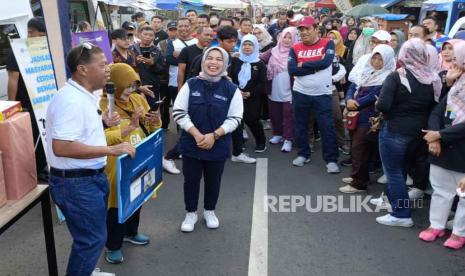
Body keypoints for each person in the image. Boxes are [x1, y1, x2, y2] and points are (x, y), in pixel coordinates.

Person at [46, 44, 135, 276]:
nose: (108, 69)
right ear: (83, 70)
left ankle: (86, 270)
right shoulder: (71, 100)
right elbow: (62, 147)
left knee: (89, 236)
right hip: (77, 183)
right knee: (92, 240)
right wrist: (111, 150)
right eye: (103, 64)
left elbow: (78, 134)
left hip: (87, 179)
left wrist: (103, 123)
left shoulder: (83, 95)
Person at [173, 47, 243, 232]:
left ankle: (210, 211)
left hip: (218, 144)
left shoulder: (231, 89)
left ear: (225, 64)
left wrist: (215, 135)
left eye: (219, 59)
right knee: (191, 180)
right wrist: (196, 134)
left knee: (214, 180)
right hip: (191, 143)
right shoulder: (191, 84)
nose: (213, 62)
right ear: (203, 61)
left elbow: (235, 118)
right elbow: (179, 112)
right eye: (209, 58)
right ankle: (191, 213)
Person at [375, 38, 441, 227]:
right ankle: (390, 200)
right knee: (401, 168)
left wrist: (378, 104)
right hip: (419, 132)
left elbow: (384, 105)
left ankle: (401, 214)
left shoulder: (398, 76)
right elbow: (434, 107)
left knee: (393, 171)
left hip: (395, 129)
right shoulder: (433, 78)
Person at [100, 63, 161, 264]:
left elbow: (151, 129)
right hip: (116, 163)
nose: (130, 91)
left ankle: (131, 232)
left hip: (140, 157)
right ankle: (113, 245)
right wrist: (129, 128)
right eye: (126, 86)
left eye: (133, 85)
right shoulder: (104, 105)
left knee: (137, 196)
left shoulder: (137, 98)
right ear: (115, 84)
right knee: (117, 204)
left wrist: (155, 120)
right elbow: (102, 139)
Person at [419, 41, 465, 249]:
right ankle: (436, 225)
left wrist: (440, 135)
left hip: (460, 147)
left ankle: (459, 232)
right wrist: (436, 137)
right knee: (440, 190)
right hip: (444, 146)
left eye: (456, 56)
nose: (451, 59)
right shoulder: (457, 82)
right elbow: (438, 110)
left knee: (463, 195)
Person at [339, 45, 395, 194]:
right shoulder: (366, 71)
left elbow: (374, 96)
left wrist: (354, 104)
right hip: (355, 114)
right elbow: (353, 86)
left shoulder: (388, 77)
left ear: (387, 60)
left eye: (380, 59)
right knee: (357, 148)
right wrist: (349, 99)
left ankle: (359, 184)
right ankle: (358, 176)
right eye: (374, 58)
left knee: (360, 149)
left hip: (369, 117)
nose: (376, 62)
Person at [288, 16, 340, 173]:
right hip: (300, 92)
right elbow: (292, 70)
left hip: (322, 94)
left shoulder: (327, 43)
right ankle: (303, 154)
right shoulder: (295, 47)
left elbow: (326, 63)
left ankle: (331, 160)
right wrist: (316, 66)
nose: (304, 32)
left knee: (327, 127)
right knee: (301, 126)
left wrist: (303, 64)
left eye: (307, 29)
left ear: (317, 29)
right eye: (301, 30)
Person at [7, 17, 49, 181]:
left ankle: (43, 165)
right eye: (30, 32)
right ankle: (34, 171)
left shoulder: (46, 48)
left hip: (42, 99)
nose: (31, 35)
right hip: (25, 103)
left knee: (43, 133)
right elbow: (12, 80)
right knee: (30, 137)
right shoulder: (17, 50)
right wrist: (12, 106)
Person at [230, 34, 268, 158]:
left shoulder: (260, 63)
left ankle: (261, 141)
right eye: (245, 44)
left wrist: (250, 93)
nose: (247, 47)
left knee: (252, 119)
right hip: (236, 95)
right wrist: (237, 91)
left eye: (250, 45)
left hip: (253, 97)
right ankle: (239, 143)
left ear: (255, 46)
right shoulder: (236, 60)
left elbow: (262, 83)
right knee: (237, 120)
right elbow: (230, 78)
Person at [261, 27, 298, 152]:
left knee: (288, 115)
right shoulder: (273, 51)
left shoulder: (296, 52)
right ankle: (277, 133)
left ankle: (288, 139)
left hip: (289, 89)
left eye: (290, 37)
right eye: (285, 37)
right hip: (273, 88)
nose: (287, 40)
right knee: (274, 113)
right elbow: (260, 58)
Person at [132, 26, 165, 109]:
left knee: (152, 112)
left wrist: (152, 63)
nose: (147, 37)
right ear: (139, 35)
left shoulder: (157, 51)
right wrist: (135, 62)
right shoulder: (132, 49)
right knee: (137, 112)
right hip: (136, 87)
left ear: (154, 37)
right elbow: (127, 67)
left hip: (152, 87)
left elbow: (162, 71)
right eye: (145, 34)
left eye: (151, 35)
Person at [157, 21, 177, 131]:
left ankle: (180, 127)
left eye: (175, 30)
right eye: (171, 30)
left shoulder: (181, 43)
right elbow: (160, 60)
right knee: (164, 103)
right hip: (164, 78)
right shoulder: (161, 43)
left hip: (178, 79)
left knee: (178, 104)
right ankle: (164, 125)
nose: (173, 32)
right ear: (167, 31)